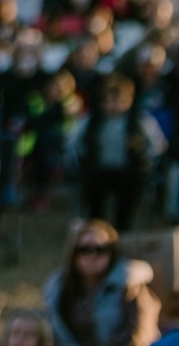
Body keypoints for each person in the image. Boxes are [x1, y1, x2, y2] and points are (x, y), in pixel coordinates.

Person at [43, 220, 159, 346]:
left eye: (101, 249)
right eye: (84, 249)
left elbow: (140, 333)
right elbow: (51, 328)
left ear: (113, 252)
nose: (92, 256)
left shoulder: (131, 285)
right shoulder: (59, 288)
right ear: (74, 253)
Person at [69, 75, 165, 232]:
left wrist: (146, 159)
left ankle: (122, 231)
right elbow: (74, 142)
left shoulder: (139, 121)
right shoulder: (92, 120)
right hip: (98, 171)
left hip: (128, 172)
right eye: (109, 101)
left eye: (119, 101)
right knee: (94, 200)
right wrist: (81, 158)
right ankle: (97, 231)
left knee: (127, 201)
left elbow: (158, 144)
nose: (113, 106)